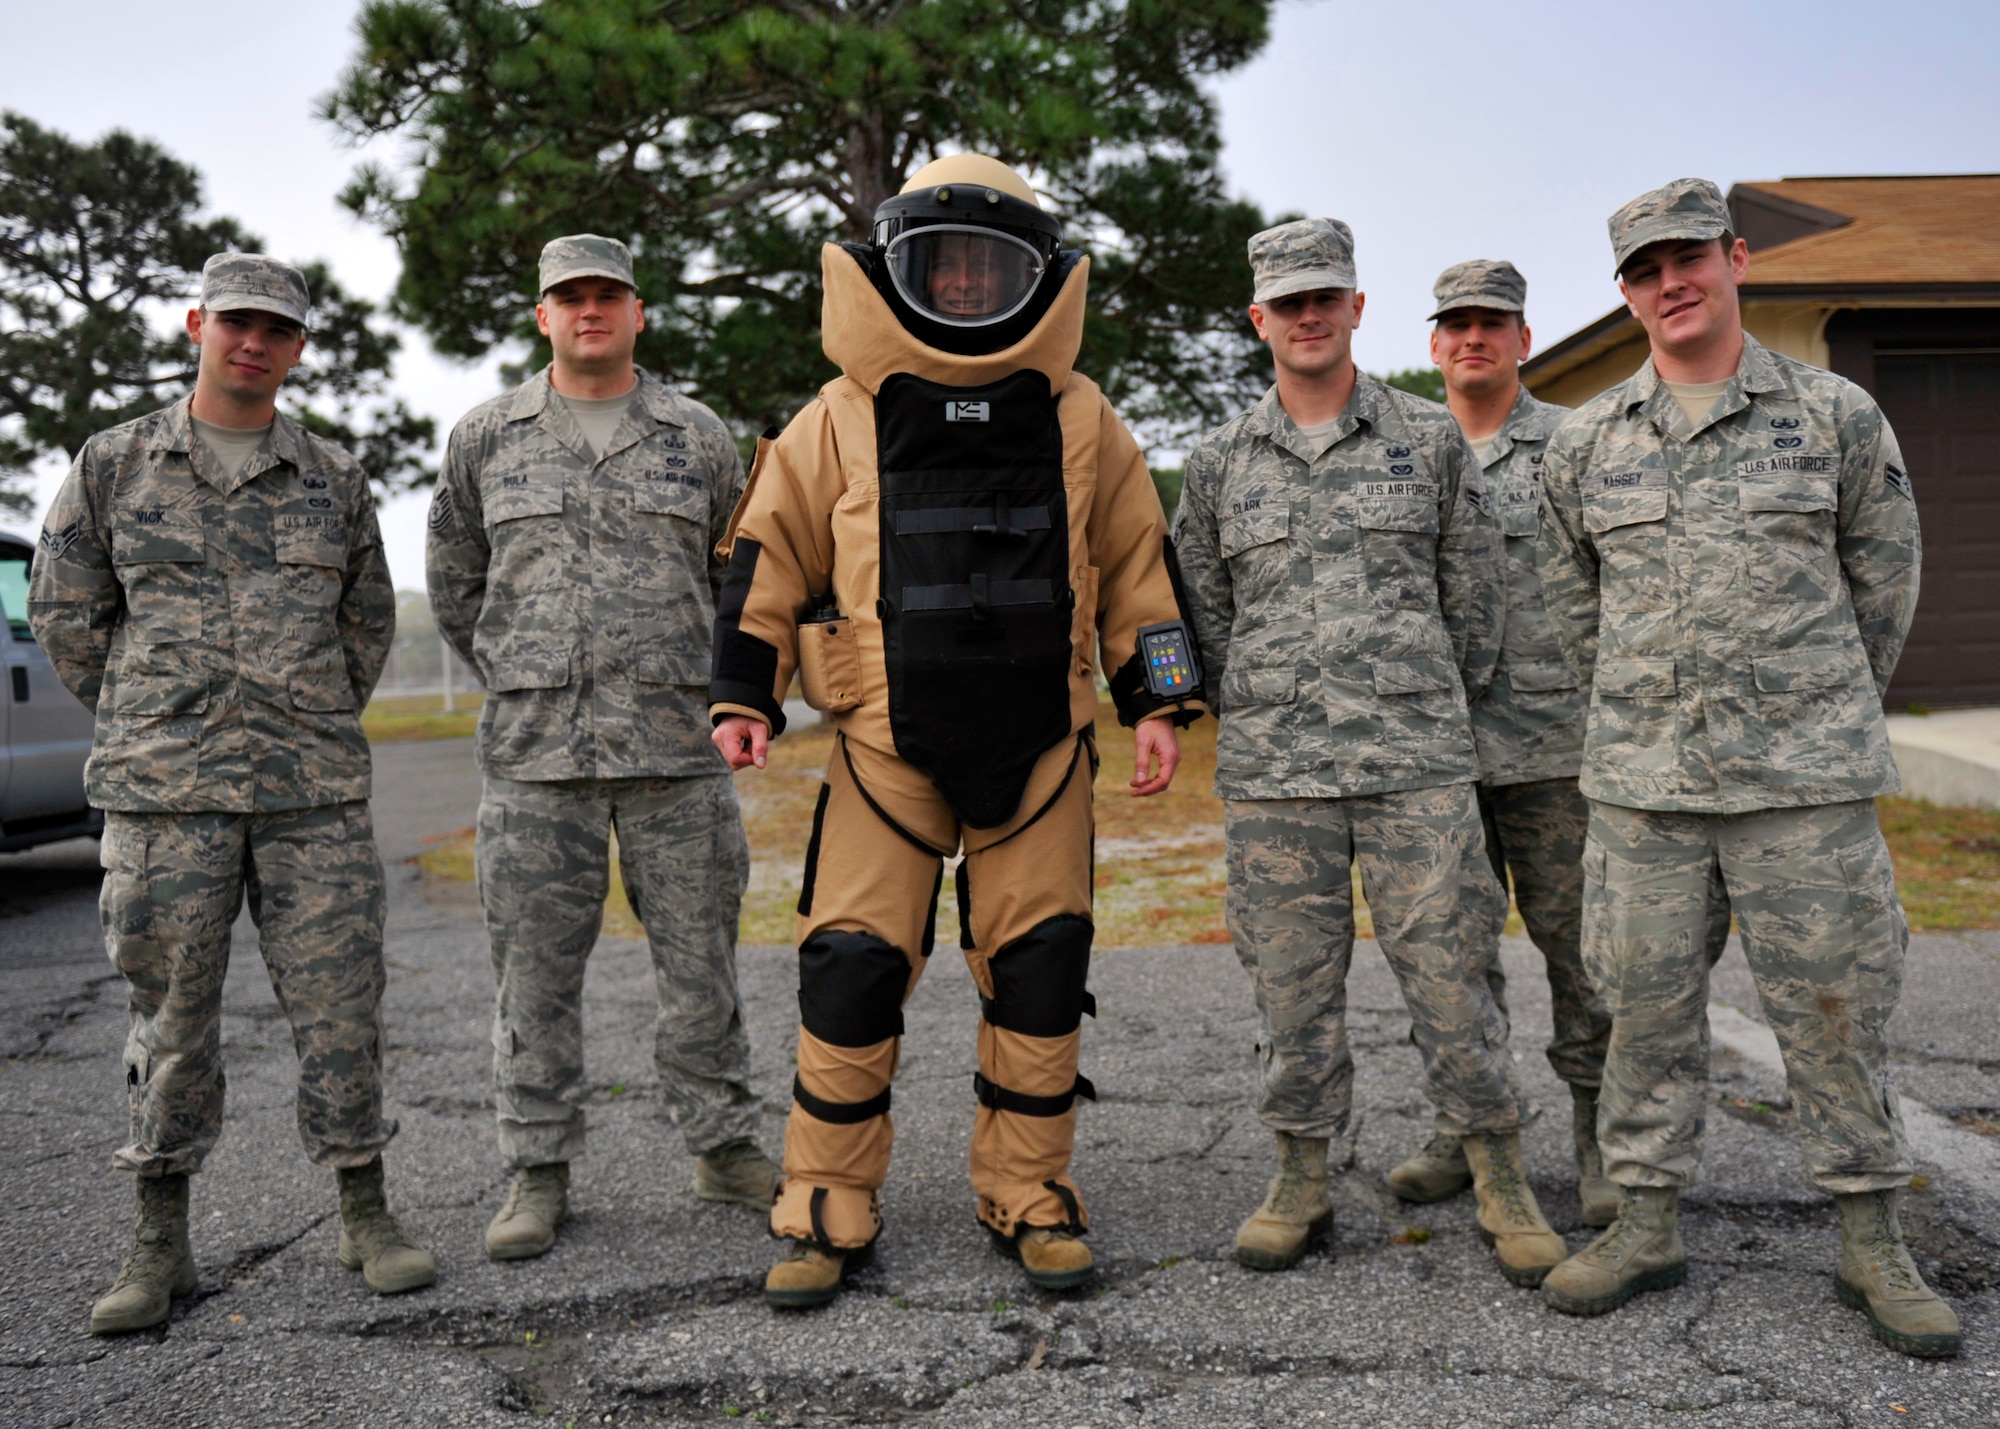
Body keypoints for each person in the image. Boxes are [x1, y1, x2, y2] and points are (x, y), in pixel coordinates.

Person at [709, 153, 1203, 1308]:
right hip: (883, 746)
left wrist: (1159, 704)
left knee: (1039, 973)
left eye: (995, 268)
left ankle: (1027, 1193)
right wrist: (743, 693)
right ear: (894, 270)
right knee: (848, 969)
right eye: (948, 268)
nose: (971, 288)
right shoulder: (835, 416)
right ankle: (824, 1203)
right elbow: (763, 558)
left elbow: (1139, 568)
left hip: (1040, 744)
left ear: (1039, 280)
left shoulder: (1084, 418)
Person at [1533, 178, 1955, 1358]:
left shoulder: (1832, 415)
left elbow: (1883, 581)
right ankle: (1645, 1221)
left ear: (1733, 259)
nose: (1668, 283)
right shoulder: (1586, 441)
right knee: (1641, 1013)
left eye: (1686, 258)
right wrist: (1636, 710)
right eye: (1640, 269)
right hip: (1643, 790)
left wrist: (1813, 709)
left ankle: (1871, 1236)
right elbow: (1574, 610)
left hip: (1801, 790)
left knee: (1835, 1012)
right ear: (1624, 292)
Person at [31, 254, 433, 1334]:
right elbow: (69, 615)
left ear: (298, 348)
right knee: (169, 1021)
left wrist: (302, 716)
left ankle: (366, 1213)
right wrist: (152, 716)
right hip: (166, 797)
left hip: (311, 794)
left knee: (342, 1009)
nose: (253, 343)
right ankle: (159, 1243)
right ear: (198, 325)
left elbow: (366, 624)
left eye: (278, 329)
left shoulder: (333, 481)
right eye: (236, 324)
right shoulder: (115, 465)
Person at [1174, 220, 1567, 1288]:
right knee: (1290, 991)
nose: (1308, 315)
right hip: (1277, 776)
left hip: (1414, 769)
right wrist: (1265, 703)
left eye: (1326, 297)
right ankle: (1298, 1174)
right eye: (1287, 301)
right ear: (1258, 319)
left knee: (1453, 980)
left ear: (1355, 309)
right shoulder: (1216, 465)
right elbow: (1205, 617)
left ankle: (1497, 1170)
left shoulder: (1426, 439)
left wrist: (1420, 702)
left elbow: (1474, 596)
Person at [427, 235, 779, 1262]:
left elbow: (736, 579)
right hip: (536, 755)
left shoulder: (696, 434)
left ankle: (721, 1148)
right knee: (531, 978)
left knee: (700, 966)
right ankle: (536, 1169)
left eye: (607, 296)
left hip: (675, 750)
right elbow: (457, 585)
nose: (589, 311)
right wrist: (529, 667)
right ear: (541, 316)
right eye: (568, 297)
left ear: (637, 312)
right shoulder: (487, 437)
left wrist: (721, 692)